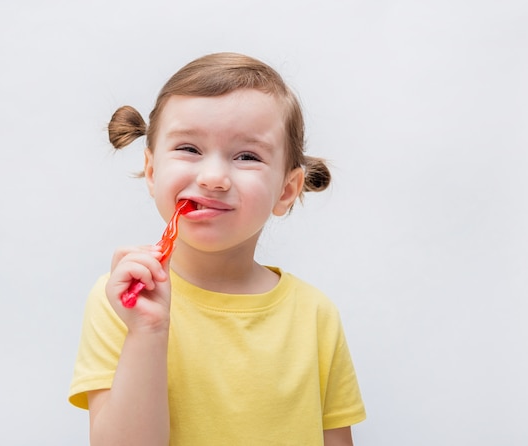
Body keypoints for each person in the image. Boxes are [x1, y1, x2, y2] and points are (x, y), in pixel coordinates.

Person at [69, 52, 366, 446]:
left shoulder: (315, 314)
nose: (213, 178)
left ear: (286, 190)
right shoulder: (123, 300)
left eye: (247, 156)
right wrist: (148, 331)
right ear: (153, 171)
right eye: (189, 148)